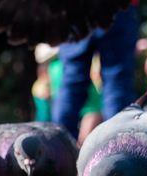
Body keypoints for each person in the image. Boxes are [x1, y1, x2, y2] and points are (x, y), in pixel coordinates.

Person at [51, 2, 140, 139]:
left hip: (73, 11)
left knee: (71, 81)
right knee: (116, 81)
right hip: (117, 9)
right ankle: (117, 146)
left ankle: (59, 145)